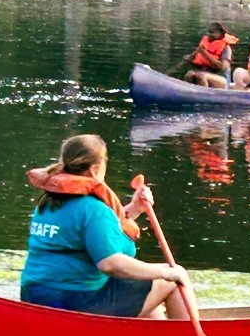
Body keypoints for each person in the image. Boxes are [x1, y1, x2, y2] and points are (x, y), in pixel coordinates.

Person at [19, 134, 189, 318]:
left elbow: (99, 229)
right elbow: (110, 263)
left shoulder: (48, 203)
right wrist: (166, 273)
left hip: (35, 295)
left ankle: (150, 335)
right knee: (173, 279)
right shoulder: (93, 209)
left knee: (145, 288)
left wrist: (134, 209)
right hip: (74, 301)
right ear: (95, 169)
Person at [182, 22, 236, 87]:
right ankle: (188, 92)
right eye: (208, 32)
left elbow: (222, 67)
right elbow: (193, 57)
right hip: (205, 73)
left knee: (201, 76)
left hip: (222, 79)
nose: (209, 34)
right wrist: (189, 58)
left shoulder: (226, 49)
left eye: (212, 32)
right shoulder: (205, 44)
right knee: (189, 74)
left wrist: (205, 53)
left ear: (220, 34)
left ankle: (203, 93)